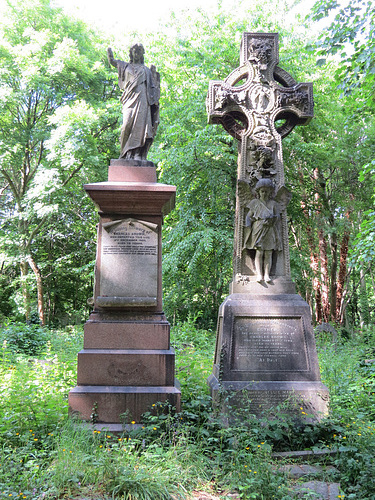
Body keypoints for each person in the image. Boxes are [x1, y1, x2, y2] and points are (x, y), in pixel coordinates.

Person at [107, 44, 160, 160]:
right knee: (126, 125)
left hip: (142, 99)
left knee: (140, 126)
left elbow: (153, 87)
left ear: (142, 54)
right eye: (135, 51)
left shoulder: (146, 70)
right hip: (129, 99)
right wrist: (109, 55)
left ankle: (137, 154)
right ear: (131, 53)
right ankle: (124, 154)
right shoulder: (125, 66)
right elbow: (113, 62)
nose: (137, 53)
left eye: (139, 51)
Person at [243, 178, 281, 282]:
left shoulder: (273, 204)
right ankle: (259, 275)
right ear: (258, 192)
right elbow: (248, 216)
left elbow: (277, 216)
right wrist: (248, 227)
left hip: (270, 229)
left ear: (270, 192)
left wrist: (272, 219)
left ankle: (267, 275)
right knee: (259, 252)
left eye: (266, 191)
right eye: (262, 191)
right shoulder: (255, 203)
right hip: (258, 228)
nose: (264, 193)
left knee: (268, 253)